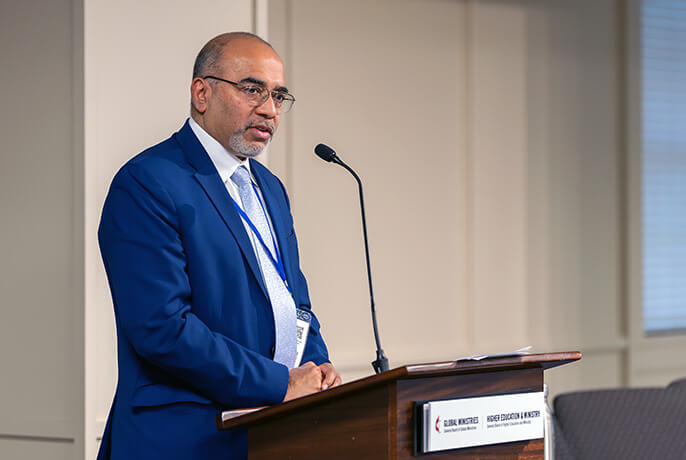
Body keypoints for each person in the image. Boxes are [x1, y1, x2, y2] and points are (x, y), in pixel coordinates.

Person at [97, 32, 341, 460]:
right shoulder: (147, 182)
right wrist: (278, 383)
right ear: (201, 92)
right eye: (252, 89)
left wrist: (315, 370)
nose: (269, 109)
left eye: (279, 96)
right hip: (188, 436)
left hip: (274, 429)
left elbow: (294, 301)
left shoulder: (270, 188)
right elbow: (162, 328)